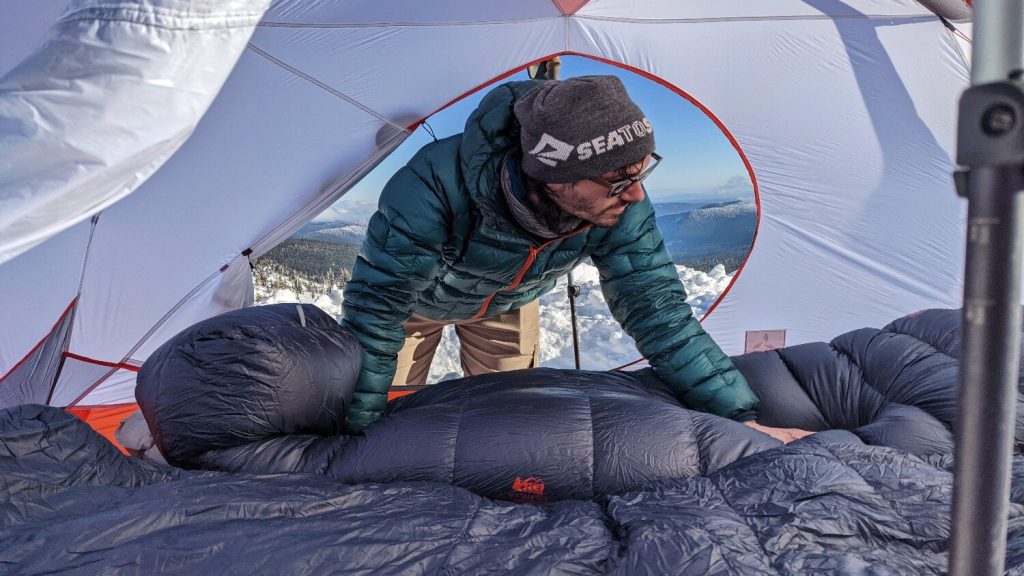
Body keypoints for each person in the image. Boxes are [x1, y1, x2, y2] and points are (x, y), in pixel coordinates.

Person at [341, 75, 811, 443]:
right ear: (553, 178)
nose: (637, 194)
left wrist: (738, 417)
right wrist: (354, 430)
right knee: (388, 405)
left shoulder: (619, 204)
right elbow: (379, 306)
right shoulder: (432, 184)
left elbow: (659, 314)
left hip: (509, 301)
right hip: (416, 306)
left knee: (504, 413)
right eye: (617, 180)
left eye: (644, 169)